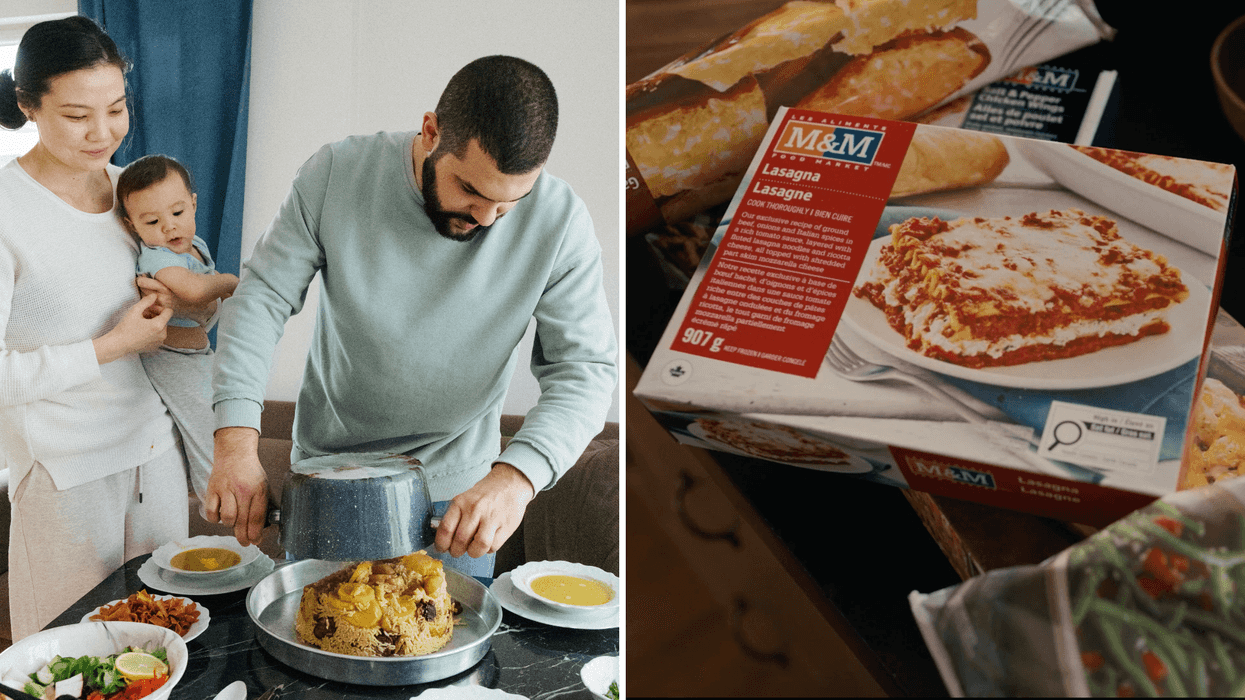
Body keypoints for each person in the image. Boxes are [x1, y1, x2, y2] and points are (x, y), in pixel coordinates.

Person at [206, 55, 617, 576]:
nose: (488, 218)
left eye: (512, 201)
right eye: (470, 190)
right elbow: (261, 298)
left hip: (456, 501)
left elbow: (585, 370)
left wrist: (516, 478)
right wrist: (236, 441)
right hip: (328, 485)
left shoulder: (561, 221)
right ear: (430, 132)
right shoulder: (336, 173)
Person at [0, 17, 206, 639]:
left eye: (115, 108)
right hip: (65, 475)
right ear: (27, 105)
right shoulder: (7, 209)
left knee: (169, 648)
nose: (103, 133)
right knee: (71, 664)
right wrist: (113, 346)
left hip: (156, 456)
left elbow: (187, 318)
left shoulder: (134, 190)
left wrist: (196, 309)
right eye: (76, 115)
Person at [117, 154, 239, 507]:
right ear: (131, 226)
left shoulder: (194, 246)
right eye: (153, 221)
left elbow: (203, 308)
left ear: (193, 204)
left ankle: (215, 486)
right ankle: (215, 497)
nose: (169, 228)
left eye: (178, 213)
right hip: (171, 360)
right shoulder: (157, 257)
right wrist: (231, 282)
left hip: (198, 354)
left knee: (222, 418)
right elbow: (192, 290)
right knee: (207, 428)